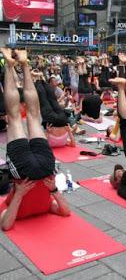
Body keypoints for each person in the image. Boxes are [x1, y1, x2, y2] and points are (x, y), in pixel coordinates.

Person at [0, 48, 70, 231]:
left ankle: (21, 64)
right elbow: (65, 212)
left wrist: (18, 194)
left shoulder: (8, 204)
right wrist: (53, 190)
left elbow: (6, 224)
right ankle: (13, 64)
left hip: (30, 174)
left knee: (30, 115)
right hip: (42, 171)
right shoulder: (47, 205)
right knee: (18, 116)